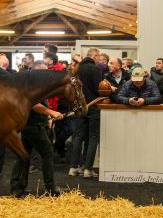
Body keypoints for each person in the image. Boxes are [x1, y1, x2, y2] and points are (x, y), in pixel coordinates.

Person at [9, 61, 63, 198]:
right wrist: (51, 113)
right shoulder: (30, 86)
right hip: (32, 125)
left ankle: (17, 187)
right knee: (47, 153)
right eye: (44, 72)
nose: (47, 74)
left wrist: (48, 119)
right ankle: (51, 188)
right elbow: (34, 104)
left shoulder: (33, 84)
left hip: (31, 124)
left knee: (23, 156)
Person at [69, 47, 102, 179]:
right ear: (94, 56)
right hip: (93, 105)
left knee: (78, 136)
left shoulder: (77, 68)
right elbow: (98, 88)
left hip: (79, 106)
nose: (99, 59)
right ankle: (88, 169)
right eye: (99, 57)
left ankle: (73, 167)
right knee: (93, 137)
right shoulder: (95, 69)